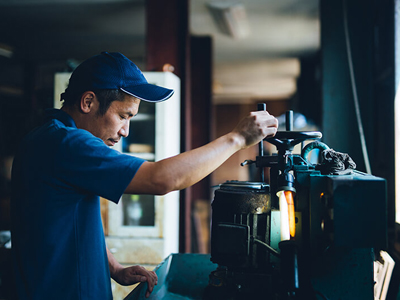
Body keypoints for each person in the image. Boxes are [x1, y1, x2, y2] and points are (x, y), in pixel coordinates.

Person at [10, 52, 278, 300]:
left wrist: (113, 268)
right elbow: (160, 179)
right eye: (123, 116)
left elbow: (72, 221)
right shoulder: (66, 143)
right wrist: (237, 138)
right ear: (88, 102)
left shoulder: (49, 138)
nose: (125, 131)